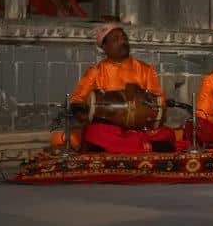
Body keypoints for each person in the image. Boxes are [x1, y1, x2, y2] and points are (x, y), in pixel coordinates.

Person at [66, 23, 176, 153]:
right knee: (94, 133)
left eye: (124, 38)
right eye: (116, 39)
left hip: (139, 127)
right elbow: (77, 98)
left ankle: (124, 147)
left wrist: (148, 112)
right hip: (110, 128)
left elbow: (159, 100)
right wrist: (80, 110)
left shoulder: (145, 69)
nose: (122, 41)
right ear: (105, 47)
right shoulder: (95, 71)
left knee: (167, 133)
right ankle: (147, 147)